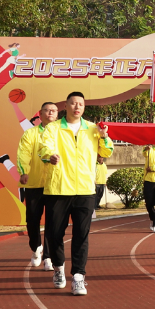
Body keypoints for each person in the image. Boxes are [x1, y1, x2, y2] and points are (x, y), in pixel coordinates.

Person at [39, 91, 113, 296]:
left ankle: (79, 277)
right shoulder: (53, 128)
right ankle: (59, 268)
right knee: (55, 234)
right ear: (66, 106)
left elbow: (106, 152)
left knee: (81, 234)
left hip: (85, 190)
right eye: (73, 103)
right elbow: (43, 148)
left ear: (84, 107)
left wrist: (104, 137)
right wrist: (50, 155)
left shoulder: (93, 128)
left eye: (80, 104)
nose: (77, 107)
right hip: (58, 189)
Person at [18, 102, 58, 268]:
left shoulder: (61, 133)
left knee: (52, 222)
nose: (50, 113)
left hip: (54, 184)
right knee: (32, 220)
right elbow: (24, 153)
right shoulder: (30, 134)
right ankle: (36, 248)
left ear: (57, 114)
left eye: (53, 111)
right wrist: (24, 171)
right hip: (34, 184)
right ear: (40, 115)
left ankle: (48, 257)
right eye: (47, 110)